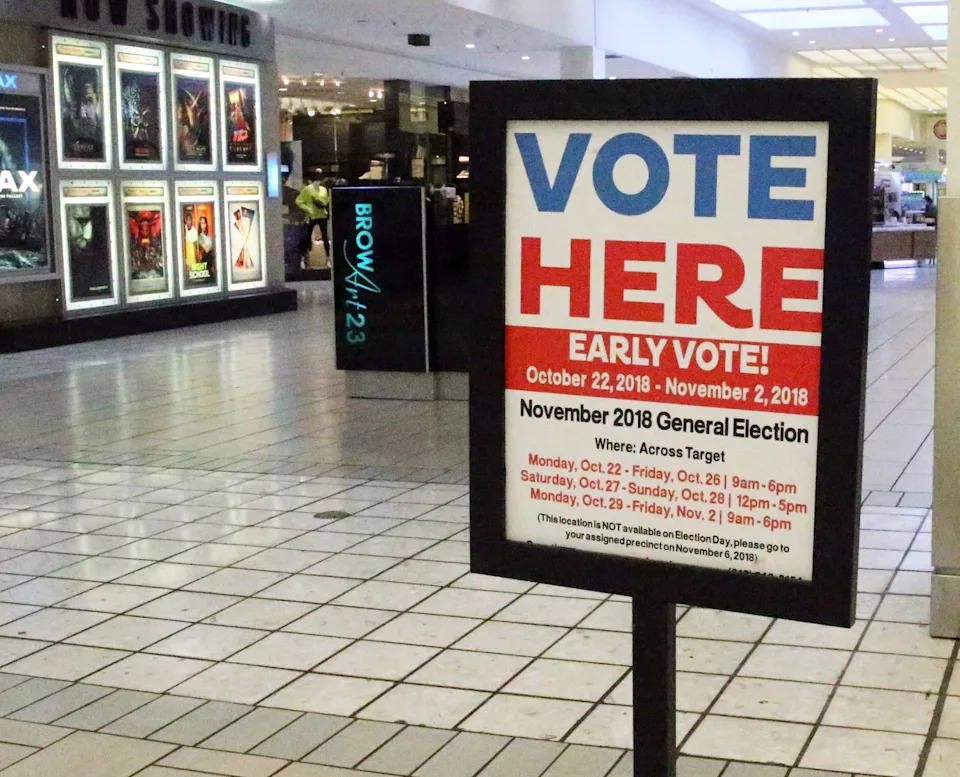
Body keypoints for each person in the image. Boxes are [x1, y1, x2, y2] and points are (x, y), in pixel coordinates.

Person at [295, 172, 330, 258]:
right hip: (312, 216)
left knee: (325, 237)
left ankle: (328, 256)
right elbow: (298, 201)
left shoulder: (323, 189)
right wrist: (308, 209)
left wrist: (322, 203)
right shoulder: (307, 189)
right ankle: (305, 257)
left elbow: (326, 200)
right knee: (307, 237)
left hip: (322, 215)